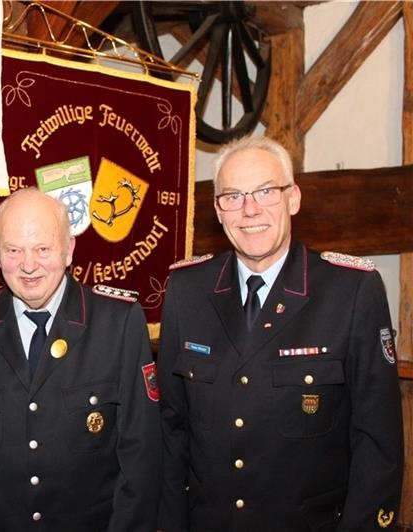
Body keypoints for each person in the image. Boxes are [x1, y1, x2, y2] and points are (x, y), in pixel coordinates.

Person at [158, 136, 403, 531]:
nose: (250, 209)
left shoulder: (351, 291)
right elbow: (170, 431)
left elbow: (378, 443)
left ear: (293, 199)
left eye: (266, 191)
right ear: (218, 210)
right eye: (233, 196)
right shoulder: (187, 290)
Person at [0, 187, 162, 531]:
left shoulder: (118, 323)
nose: (28, 265)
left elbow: (140, 457)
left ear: (69, 249)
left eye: (43, 248)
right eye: (14, 250)